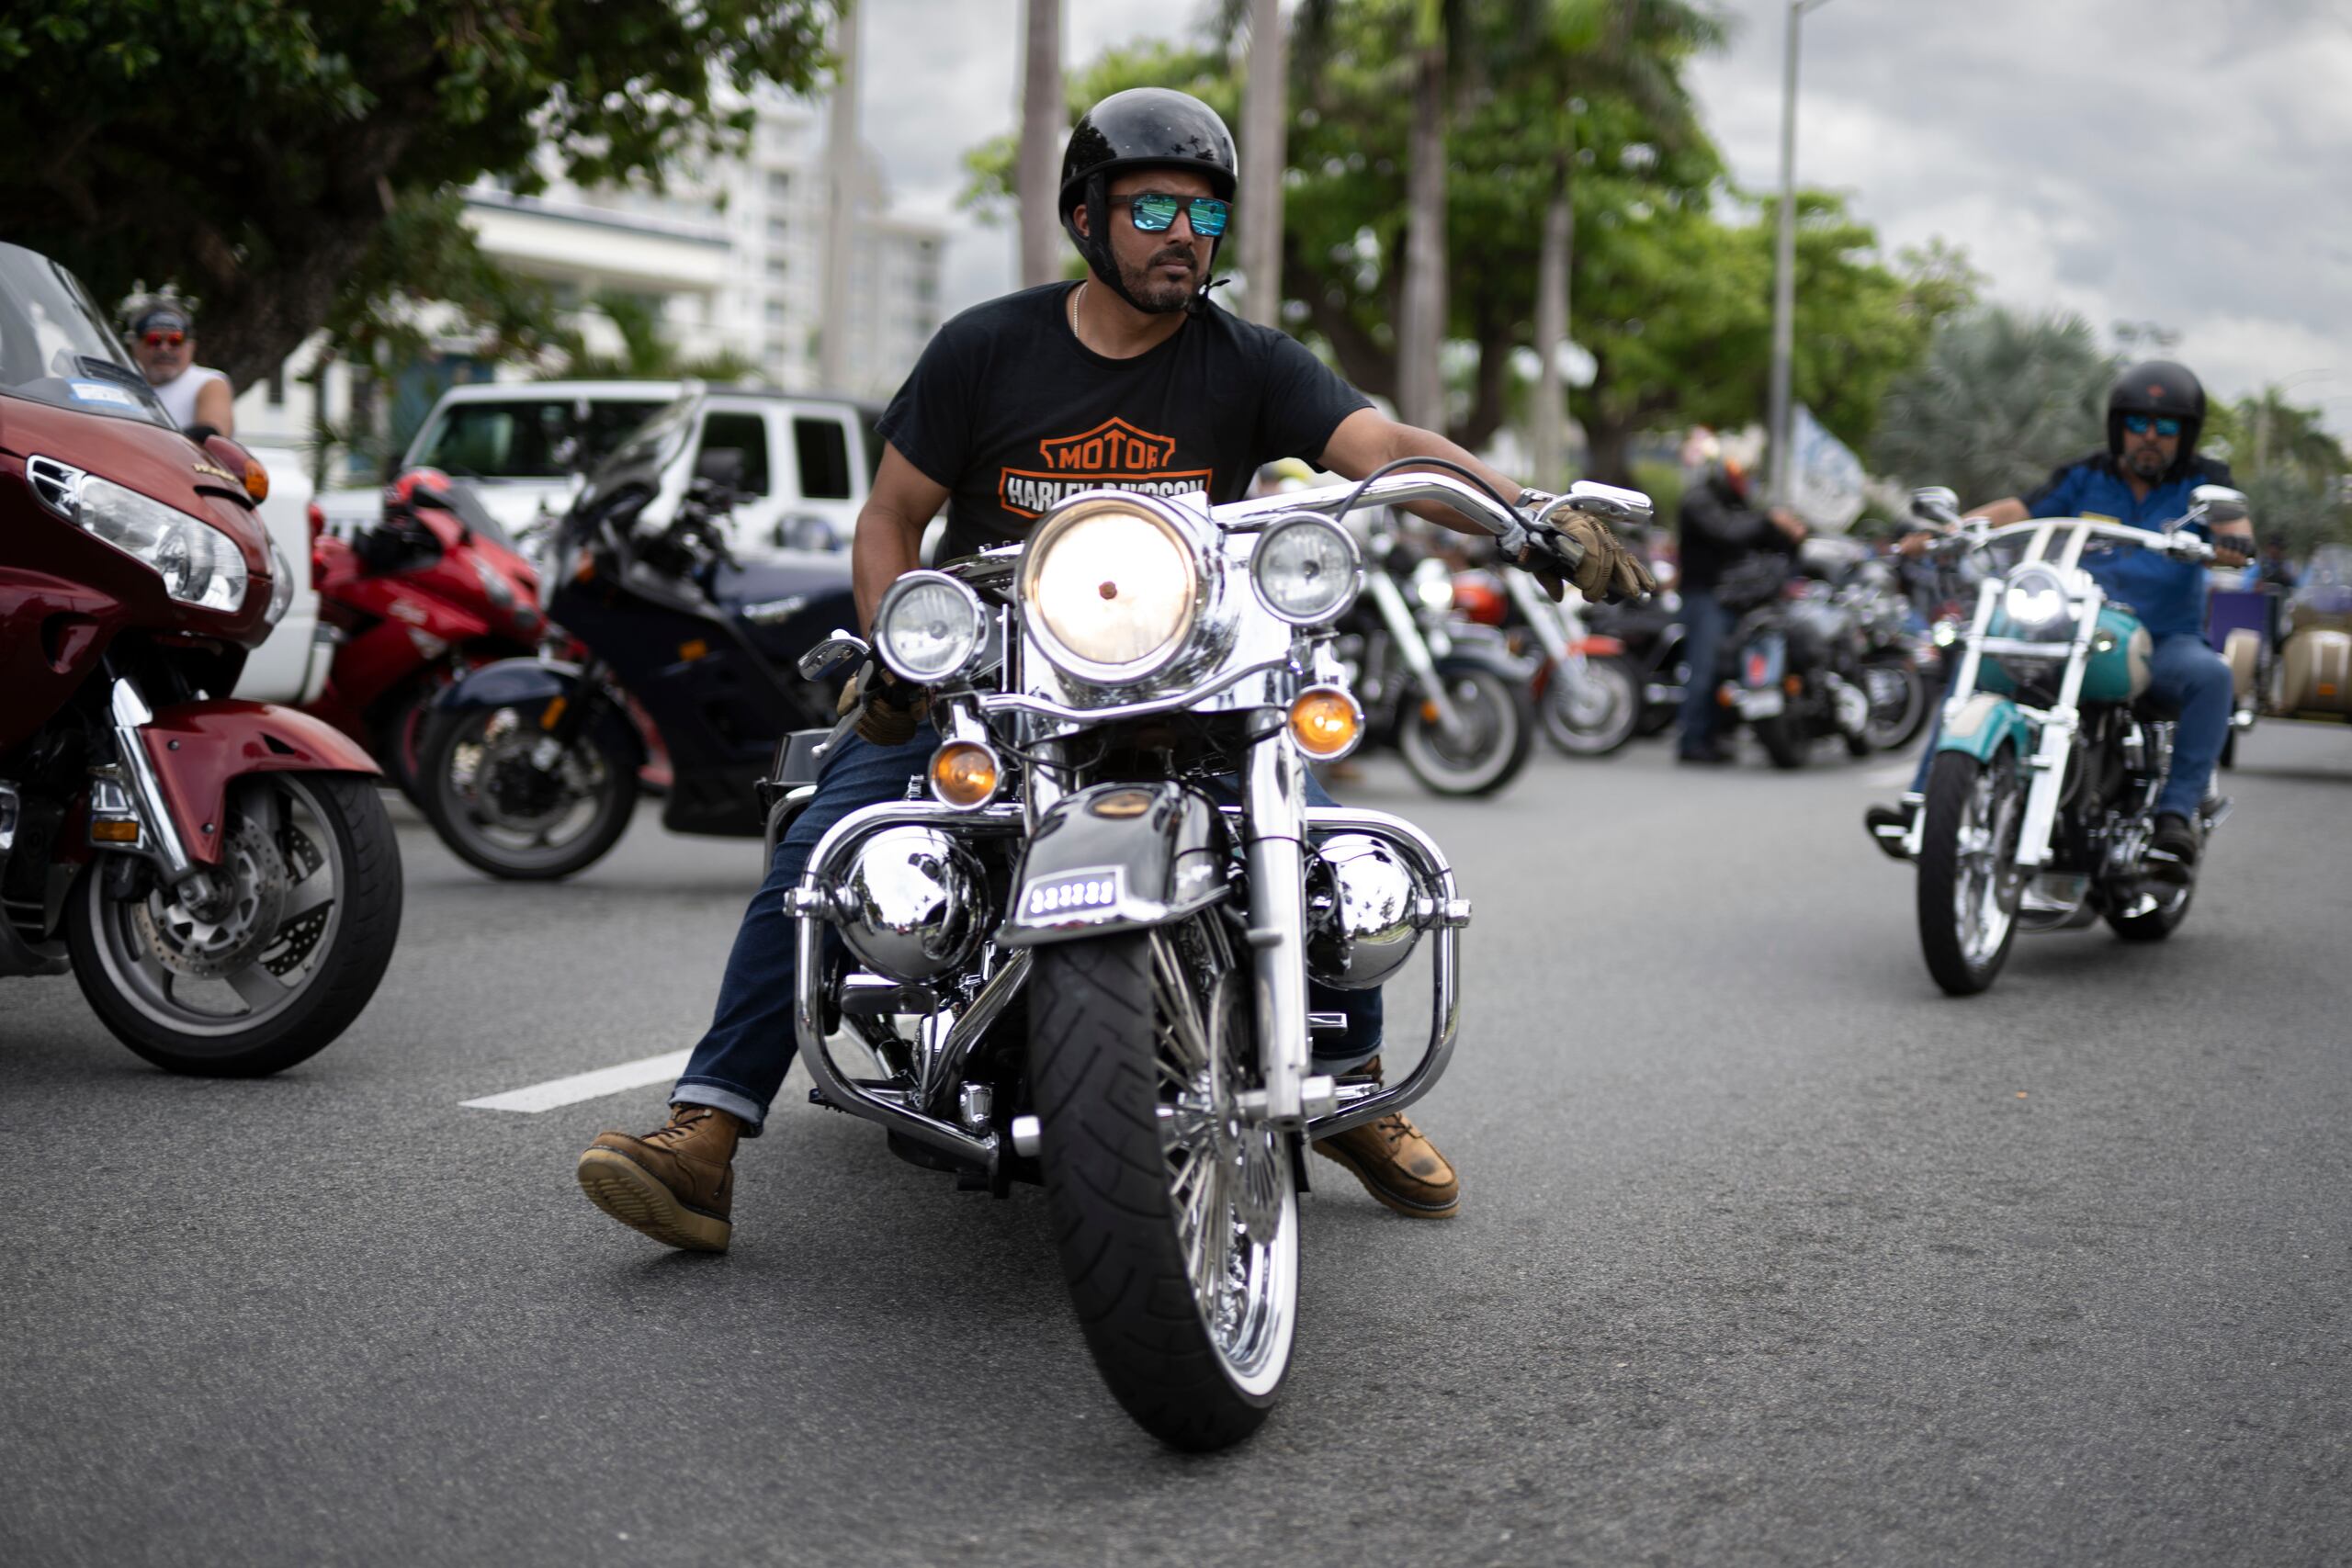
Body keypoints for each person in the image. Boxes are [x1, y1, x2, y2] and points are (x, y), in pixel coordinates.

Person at [575, 87, 1656, 1253]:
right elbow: (891, 516)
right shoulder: (986, 348)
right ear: (1086, 217)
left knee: (1322, 843)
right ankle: (706, 1132)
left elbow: (1384, 450)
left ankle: (1346, 1089)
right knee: (826, 844)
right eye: (1150, 210)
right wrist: (901, 650)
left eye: (1204, 215)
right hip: (991, 679)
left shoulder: (1248, 363)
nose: (1182, 235)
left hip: (1186, 678)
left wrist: (1527, 514)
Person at [1864, 359, 2254, 874]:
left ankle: (2174, 818)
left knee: (2212, 676)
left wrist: (2233, 544)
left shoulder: (2204, 482)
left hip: (2159, 640)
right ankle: (1922, 804)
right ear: (2119, 427)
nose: (2150, 436)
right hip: (2068, 625)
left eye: (2166, 426)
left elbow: (2234, 528)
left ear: (2186, 434)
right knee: (1984, 655)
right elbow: (2018, 511)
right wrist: (1950, 530)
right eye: (2138, 423)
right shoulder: (2086, 475)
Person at [1672, 438, 1807, 763]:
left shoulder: (1737, 503)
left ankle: (1717, 735)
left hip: (1734, 597)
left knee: (1726, 669)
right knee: (1704, 670)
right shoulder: (1699, 499)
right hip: (1705, 596)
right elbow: (1728, 531)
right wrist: (1769, 521)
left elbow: (1759, 537)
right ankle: (1693, 740)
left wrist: (1790, 531)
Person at [123, 295, 233, 434]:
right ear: (135, 346)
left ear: (191, 346)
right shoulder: (123, 385)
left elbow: (214, 437)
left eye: (175, 340)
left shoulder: (208, 383)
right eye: (154, 340)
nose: (164, 349)